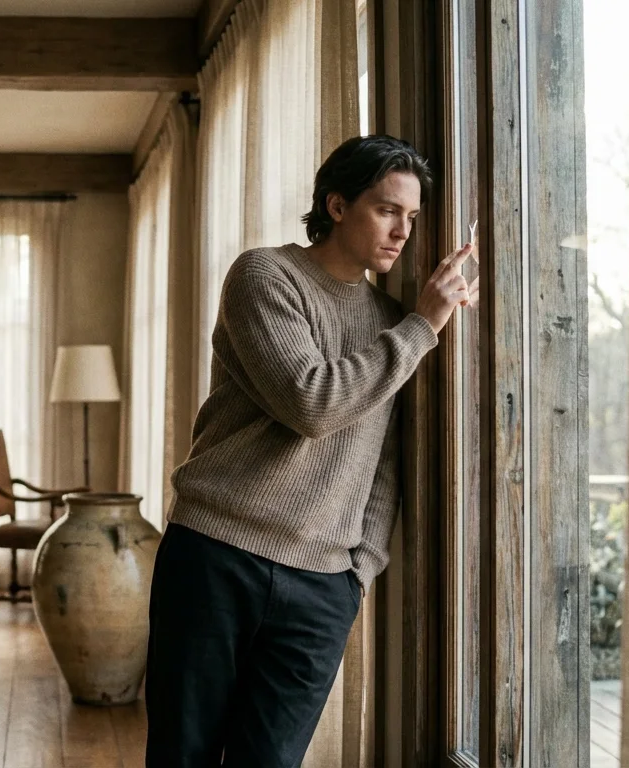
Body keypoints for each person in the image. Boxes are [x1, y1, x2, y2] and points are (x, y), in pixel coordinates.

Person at [145, 135, 476, 767]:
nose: (403, 232)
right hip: (216, 557)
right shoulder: (264, 276)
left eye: (411, 216)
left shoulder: (391, 320)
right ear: (337, 205)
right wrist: (422, 326)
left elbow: (383, 461)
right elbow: (311, 404)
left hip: (323, 585)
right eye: (387, 210)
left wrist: (358, 570)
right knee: (182, 757)